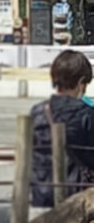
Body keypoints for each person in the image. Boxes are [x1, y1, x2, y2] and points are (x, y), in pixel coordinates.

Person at [30, 50, 94, 208]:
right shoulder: (86, 115)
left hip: (41, 195)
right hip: (78, 200)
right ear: (81, 83)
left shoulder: (37, 111)